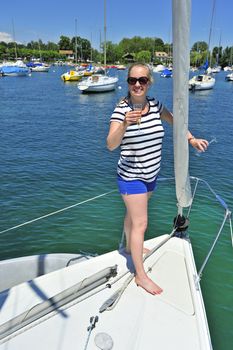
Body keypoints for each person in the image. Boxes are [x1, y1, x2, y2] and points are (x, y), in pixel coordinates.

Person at [106, 62, 208, 295]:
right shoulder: (121, 109)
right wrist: (124, 124)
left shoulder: (155, 105)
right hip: (131, 177)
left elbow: (176, 123)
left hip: (151, 174)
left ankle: (132, 250)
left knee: (133, 218)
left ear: (149, 82)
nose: (137, 85)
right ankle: (140, 276)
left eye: (142, 80)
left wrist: (191, 139)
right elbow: (111, 145)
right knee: (141, 223)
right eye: (133, 80)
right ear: (128, 83)